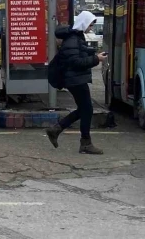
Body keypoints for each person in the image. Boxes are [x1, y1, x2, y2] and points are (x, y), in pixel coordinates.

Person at [45, 11, 106, 155]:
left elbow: (79, 53)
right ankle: (85, 143)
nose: (91, 28)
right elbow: (75, 62)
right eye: (90, 24)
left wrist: (93, 53)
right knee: (87, 109)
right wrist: (96, 59)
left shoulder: (76, 37)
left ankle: (56, 130)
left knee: (85, 109)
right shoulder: (73, 39)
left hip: (76, 79)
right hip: (75, 80)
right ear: (84, 22)